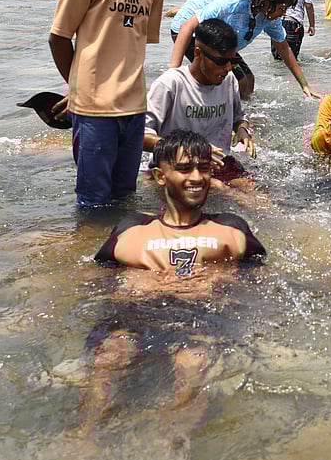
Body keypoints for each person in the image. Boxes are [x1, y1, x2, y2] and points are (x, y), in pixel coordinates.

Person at [82, 129, 264, 437]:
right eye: (184, 169)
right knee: (110, 354)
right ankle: (85, 435)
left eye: (204, 168)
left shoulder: (230, 228)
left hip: (199, 313)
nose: (197, 177)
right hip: (135, 312)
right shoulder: (133, 227)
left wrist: (222, 281)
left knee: (192, 362)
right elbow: (96, 278)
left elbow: (260, 279)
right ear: (160, 176)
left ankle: (174, 444)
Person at [48, 0, 166, 209]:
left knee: (125, 197)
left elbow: (136, 42)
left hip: (134, 108)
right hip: (93, 108)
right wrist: (77, 86)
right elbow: (58, 37)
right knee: (92, 202)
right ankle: (84, 258)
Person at [169, 0, 322, 101]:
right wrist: (173, 74)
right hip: (191, 33)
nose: (283, 14)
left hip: (221, 41)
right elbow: (187, 27)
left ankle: (244, 115)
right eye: (282, 8)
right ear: (268, 0)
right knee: (230, 80)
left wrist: (304, 85)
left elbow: (283, 48)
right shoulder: (234, 3)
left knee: (248, 80)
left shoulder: (270, 16)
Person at [144, 19, 254, 184]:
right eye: (221, 61)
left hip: (219, 164)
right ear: (198, 53)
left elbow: (239, 118)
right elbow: (141, 136)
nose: (228, 68)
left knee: (259, 198)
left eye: (233, 61)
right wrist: (193, 151)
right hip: (180, 169)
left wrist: (242, 130)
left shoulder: (229, 80)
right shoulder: (171, 84)